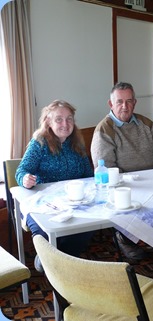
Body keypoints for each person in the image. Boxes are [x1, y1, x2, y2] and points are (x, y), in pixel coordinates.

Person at [91, 81, 153, 260]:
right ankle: (124, 237)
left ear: (135, 102)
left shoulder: (146, 124)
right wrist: (134, 183)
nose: (125, 106)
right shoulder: (104, 130)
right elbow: (107, 169)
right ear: (110, 104)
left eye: (129, 101)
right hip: (127, 187)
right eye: (119, 101)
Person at [15, 100, 94, 272]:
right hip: (43, 202)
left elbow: (89, 176)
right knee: (45, 232)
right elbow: (21, 170)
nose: (65, 124)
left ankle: (53, 260)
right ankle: (53, 260)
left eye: (69, 119)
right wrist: (25, 178)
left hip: (74, 203)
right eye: (59, 119)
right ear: (49, 122)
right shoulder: (39, 143)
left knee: (87, 228)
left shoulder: (77, 143)